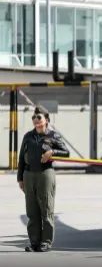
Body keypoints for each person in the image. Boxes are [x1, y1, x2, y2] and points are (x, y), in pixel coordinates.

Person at [17, 105, 69, 252]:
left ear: (46, 119)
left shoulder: (53, 135)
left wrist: (52, 151)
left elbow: (66, 152)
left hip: (45, 174)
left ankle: (45, 242)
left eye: (39, 117)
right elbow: (21, 158)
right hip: (28, 175)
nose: (36, 120)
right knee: (31, 210)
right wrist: (20, 178)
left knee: (46, 209)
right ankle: (34, 242)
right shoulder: (28, 136)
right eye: (33, 117)